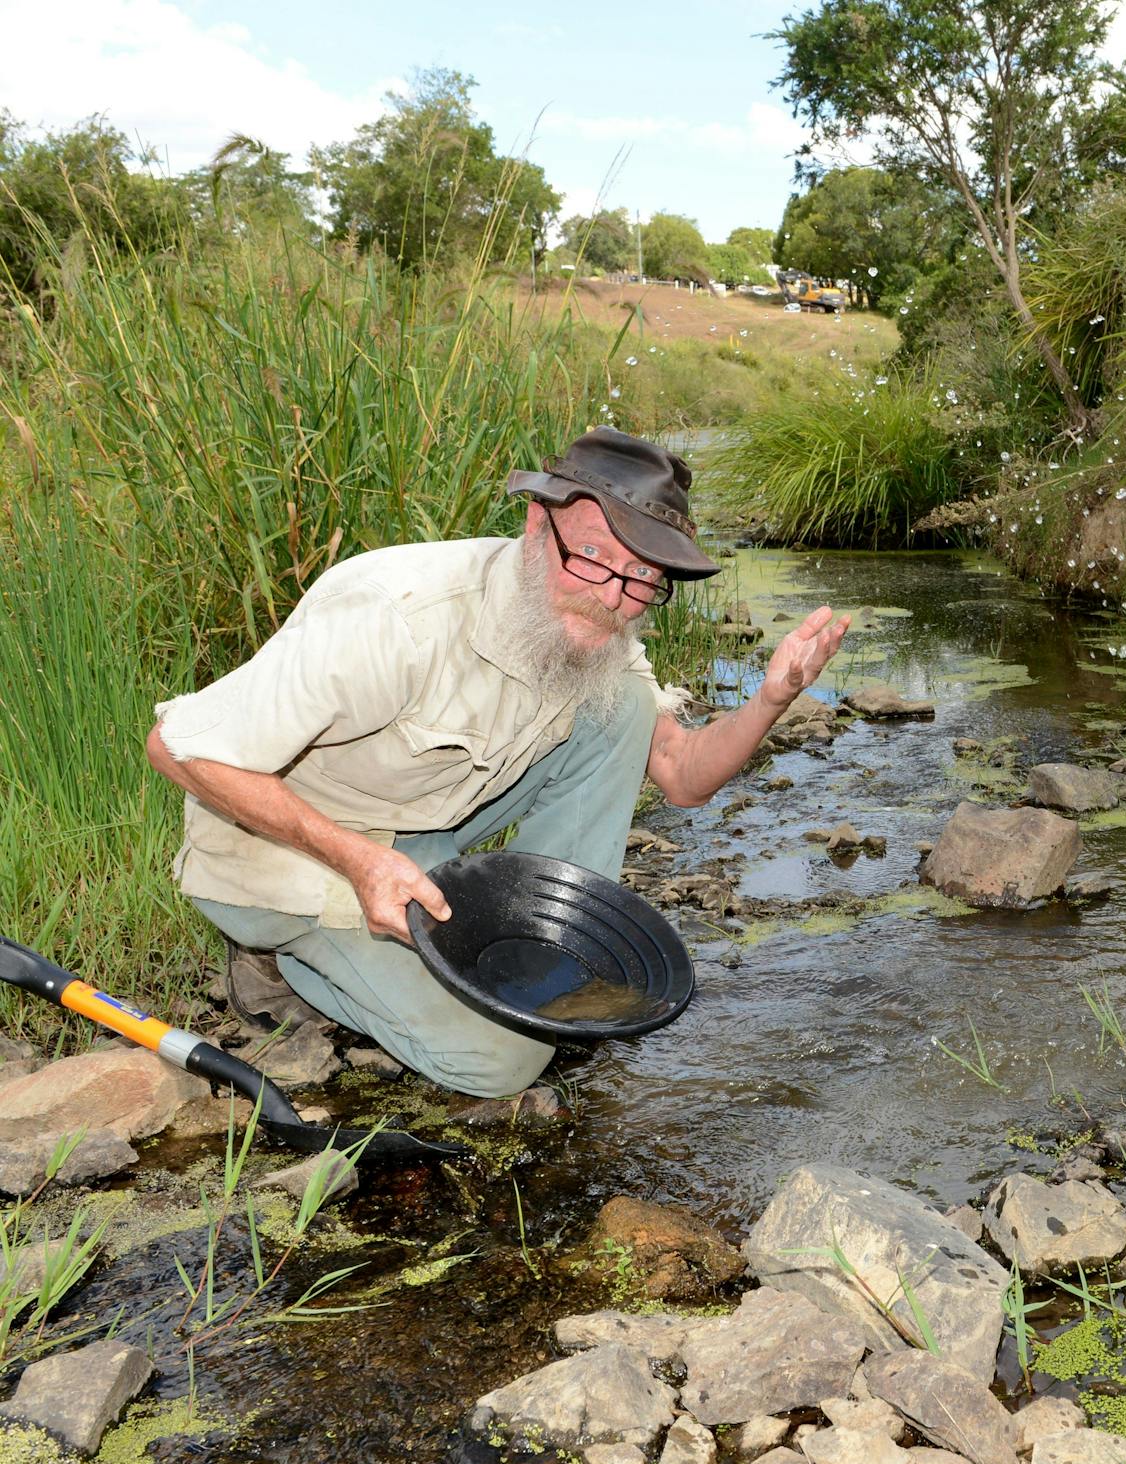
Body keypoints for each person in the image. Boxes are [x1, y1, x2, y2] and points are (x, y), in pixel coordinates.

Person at [145, 428, 848, 1098]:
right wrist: (359, 862)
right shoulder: (399, 616)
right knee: (507, 1057)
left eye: (642, 578)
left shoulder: (594, 621)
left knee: (625, 708)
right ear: (539, 526)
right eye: (597, 557)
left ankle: (545, 941)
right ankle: (281, 964)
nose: (612, 597)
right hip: (281, 853)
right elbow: (178, 745)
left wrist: (772, 699)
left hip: (417, 835)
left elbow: (680, 771)